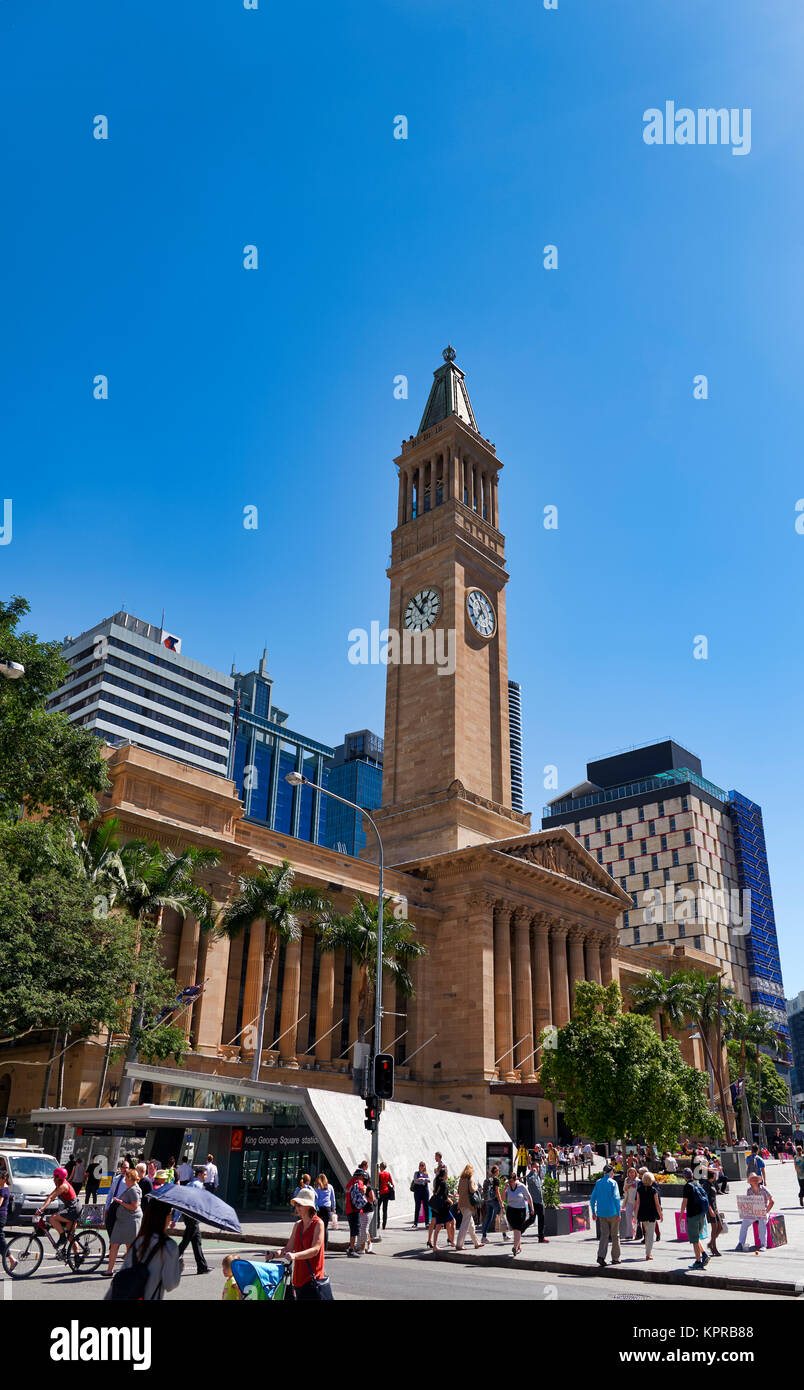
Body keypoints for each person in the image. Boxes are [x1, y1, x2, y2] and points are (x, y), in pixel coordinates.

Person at [105, 1196, 183, 1302]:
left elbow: (124, 1271)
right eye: (170, 1214)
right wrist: (178, 1268)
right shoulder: (169, 1246)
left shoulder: (139, 1241)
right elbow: (170, 1284)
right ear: (166, 1217)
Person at [280, 1185, 331, 1301]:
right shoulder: (298, 1225)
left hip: (312, 1280)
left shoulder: (318, 1224)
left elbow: (315, 1249)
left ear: (309, 1206)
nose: (297, 1207)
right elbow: (288, 1248)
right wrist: (274, 1254)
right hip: (298, 1280)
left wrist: (294, 1255)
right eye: (296, 1204)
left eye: (300, 1205)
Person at [35, 1167, 83, 1260]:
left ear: (58, 1177)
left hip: (73, 1209)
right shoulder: (60, 1184)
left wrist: (42, 1209)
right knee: (71, 1236)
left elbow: (51, 1197)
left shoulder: (63, 1186)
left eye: (54, 1176)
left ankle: (62, 1237)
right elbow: (50, 1196)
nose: (53, 1178)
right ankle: (77, 1257)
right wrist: (45, 1205)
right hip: (73, 1208)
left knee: (53, 1218)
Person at [105, 1167, 142, 1275]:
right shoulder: (131, 1188)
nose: (125, 1180)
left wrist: (121, 1202)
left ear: (131, 1178)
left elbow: (134, 1206)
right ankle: (109, 1270)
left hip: (130, 1220)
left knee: (129, 1245)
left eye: (126, 1178)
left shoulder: (134, 1189)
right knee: (114, 1243)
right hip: (122, 1220)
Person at [176, 1167, 211, 1275]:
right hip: (194, 1216)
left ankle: (202, 1267)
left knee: (196, 1241)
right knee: (186, 1241)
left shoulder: (189, 1184)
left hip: (188, 1215)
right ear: (199, 1175)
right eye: (204, 1174)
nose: (206, 1176)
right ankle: (168, 1260)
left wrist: (176, 1216)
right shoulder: (199, 1185)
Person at [589, 1165, 622, 1268]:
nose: (613, 1173)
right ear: (611, 1172)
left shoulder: (598, 1182)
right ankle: (615, 1258)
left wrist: (594, 1212)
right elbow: (616, 1198)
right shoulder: (613, 1183)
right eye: (613, 1171)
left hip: (601, 1213)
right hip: (612, 1212)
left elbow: (592, 1198)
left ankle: (601, 1256)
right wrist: (618, 1212)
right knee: (615, 1235)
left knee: (604, 1235)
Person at [680, 1167, 711, 1270]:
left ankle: (698, 1261)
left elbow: (684, 1202)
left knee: (694, 1239)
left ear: (684, 1176)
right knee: (696, 1236)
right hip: (701, 1214)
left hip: (692, 1215)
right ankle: (704, 1254)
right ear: (692, 1175)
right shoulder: (697, 1184)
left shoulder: (687, 1186)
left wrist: (681, 1215)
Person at [735, 1171, 774, 1252]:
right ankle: (740, 1243)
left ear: (758, 1180)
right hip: (753, 1212)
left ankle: (763, 1245)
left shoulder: (764, 1189)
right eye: (752, 1179)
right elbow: (748, 1203)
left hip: (763, 1211)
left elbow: (772, 1202)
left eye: (755, 1179)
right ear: (750, 1182)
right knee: (744, 1224)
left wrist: (766, 1212)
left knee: (762, 1223)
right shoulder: (749, 1190)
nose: (754, 1181)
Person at [503, 1172, 534, 1257]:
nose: (510, 1183)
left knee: (517, 1229)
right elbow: (503, 1199)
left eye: (511, 1181)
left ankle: (514, 1247)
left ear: (515, 1179)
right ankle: (518, 1247)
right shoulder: (508, 1187)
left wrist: (532, 1208)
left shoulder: (521, 1186)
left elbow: (528, 1197)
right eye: (509, 1181)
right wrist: (505, 1189)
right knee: (516, 1230)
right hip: (510, 1211)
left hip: (520, 1211)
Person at [636, 1172, 662, 1260]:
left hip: (642, 1213)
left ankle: (647, 1251)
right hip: (652, 1213)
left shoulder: (639, 1189)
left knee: (646, 1233)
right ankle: (648, 1254)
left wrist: (636, 1215)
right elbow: (657, 1204)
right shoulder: (654, 1190)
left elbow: (637, 1203)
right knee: (650, 1234)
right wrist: (660, 1215)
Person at [455, 1164, 482, 1250]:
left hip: (462, 1204)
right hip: (468, 1204)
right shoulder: (470, 1179)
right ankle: (459, 1244)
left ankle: (476, 1243)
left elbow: (458, 1191)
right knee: (465, 1225)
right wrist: (476, 1187)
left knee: (471, 1225)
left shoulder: (461, 1179)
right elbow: (472, 1189)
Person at [429, 1165, 455, 1251]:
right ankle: (452, 1241)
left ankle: (436, 1245)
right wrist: (450, 1201)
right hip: (443, 1208)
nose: (447, 1175)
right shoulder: (443, 1183)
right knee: (452, 1222)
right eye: (447, 1174)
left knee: (438, 1226)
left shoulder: (438, 1181)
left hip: (439, 1207)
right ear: (445, 1175)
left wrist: (450, 1196)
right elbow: (444, 1196)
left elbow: (440, 1194)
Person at [480, 1165, 508, 1245]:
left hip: (488, 1201)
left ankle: (484, 1237)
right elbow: (497, 1192)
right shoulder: (496, 1179)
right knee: (501, 1217)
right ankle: (504, 1235)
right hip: (494, 1201)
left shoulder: (488, 1179)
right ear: (496, 1172)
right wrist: (501, 1202)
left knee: (488, 1218)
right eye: (498, 1171)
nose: (499, 1172)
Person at [523, 1158, 548, 1243]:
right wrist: (532, 1172)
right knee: (531, 1220)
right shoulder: (530, 1175)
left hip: (539, 1201)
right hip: (533, 1202)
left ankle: (541, 1237)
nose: (537, 1168)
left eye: (538, 1167)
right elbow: (529, 1181)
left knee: (541, 1219)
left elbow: (539, 1189)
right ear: (532, 1167)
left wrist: (542, 1200)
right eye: (536, 1167)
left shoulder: (537, 1175)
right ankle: (520, 1231)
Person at [104, 1160, 130, 1241]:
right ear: (121, 1168)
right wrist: (107, 1206)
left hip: (122, 1206)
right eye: (124, 1167)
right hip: (114, 1204)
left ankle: (115, 1245)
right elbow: (110, 1193)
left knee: (119, 1227)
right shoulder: (116, 1179)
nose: (125, 1169)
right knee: (108, 1223)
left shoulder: (129, 1180)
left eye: (127, 1168)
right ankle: (113, 1242)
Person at [701, 1167, 723, 1257]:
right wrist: (710, 1210)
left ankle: (711, 1243)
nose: (716, 1176)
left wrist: (716, 1209)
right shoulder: (706, 1185)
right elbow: (706, 1198)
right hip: (710, 1209)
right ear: (712, 1176)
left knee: (720, 1227)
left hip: (715, 1208)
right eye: (715, 1175)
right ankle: (714, 1247)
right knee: (714, 1228)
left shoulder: (712, 1183)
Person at [345, 1168, 365, 1257]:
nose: (363, 1178)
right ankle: (352, 1249)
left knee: (352, 1229)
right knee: (354, 1230)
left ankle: (351, 1248)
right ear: (359, 1176)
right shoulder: (358, 1183)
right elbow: (363, 1191)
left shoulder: (349, 1183)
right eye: (362, 1176)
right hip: (355, 1210)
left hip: (349, 1209)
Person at [0, 1166, 15, 1273]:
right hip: (2, 1216)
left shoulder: (3, 1190)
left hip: (0, 1217)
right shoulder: (4, 1188)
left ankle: (12, 1259)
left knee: (0, 1239)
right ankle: (11, 1259)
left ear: (4, 1179)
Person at [314, 1173, 336, 1248]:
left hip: (319, 1208)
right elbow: (333, 1199)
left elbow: (316, 1199)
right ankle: (325, 1246)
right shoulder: (330, 1187)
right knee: (325, 1227)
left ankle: (318, 1244)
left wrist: (314, 1208)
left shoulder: (317, 1187)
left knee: (318, 1226)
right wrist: (334, 1208)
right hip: (327, 1208)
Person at [411, 1161, 430, 1229]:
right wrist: (423, 1181)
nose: (421, 1166)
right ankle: (415, 1223)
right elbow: (415, 1180)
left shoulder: (426, 1174)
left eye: (423, 1165)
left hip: (425, 1191)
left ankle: (427, 1223)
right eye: (420, 1165)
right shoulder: (416, 1173)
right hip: (418, 1191)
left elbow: (429, 1180)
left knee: (426, 1207)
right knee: (417, 1207)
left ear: (424, 1166)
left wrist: (422, 1179)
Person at [622, 1166, 639, 1241]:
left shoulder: (638, 1181)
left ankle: (637, 1234)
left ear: (635, 1173)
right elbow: (624, 1189)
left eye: (633, 1172)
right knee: (628, 1218)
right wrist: (628, 1186)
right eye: (630, 1172)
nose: (632, 1174)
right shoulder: (627, 1180)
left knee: (636, 1218)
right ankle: (629, 1234)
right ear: (628, 1173)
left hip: (636, 1202)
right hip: (628, 1201)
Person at [377, 1162, 395, 1230]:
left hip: (381, 1193)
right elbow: (392, 1184)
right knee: (385, 1210)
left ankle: (378, 1223)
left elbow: (377, 1184)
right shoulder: (388, 1174)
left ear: (381, 1167)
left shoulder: (379, 1174)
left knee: (377, 1208)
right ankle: (384, 1226)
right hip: (387, 1192)